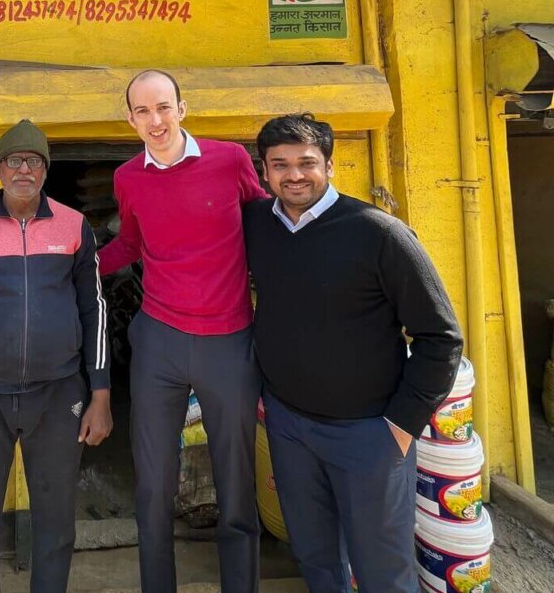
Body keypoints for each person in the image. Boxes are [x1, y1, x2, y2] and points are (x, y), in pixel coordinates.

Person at [244, 113, 463, 592]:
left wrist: (401, 427)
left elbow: (441, 338)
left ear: (330, 165)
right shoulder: (257, 225)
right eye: (280, 164)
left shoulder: (378, 233)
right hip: (289, 426)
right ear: (264, 172)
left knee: (382, 567)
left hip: (368, 433)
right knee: (316, 555)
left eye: (307, 163)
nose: (294, 174)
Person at [98, 70, 267, 593]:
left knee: (236, 482)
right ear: (130, 118)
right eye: (143, 111)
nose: (156, 121)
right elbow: (129, 243)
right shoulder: (128, 178)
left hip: (230, 341)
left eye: (164, 107)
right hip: (159, 341)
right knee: (152, 483)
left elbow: (265, 223)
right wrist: (69, 270)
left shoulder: (229, 160)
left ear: (182, 108)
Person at [0, 119, 112, 593]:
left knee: (55, 518)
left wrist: (100, 394)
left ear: (45, 170)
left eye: (34, 161)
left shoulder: (75, 226)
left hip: (58, 395)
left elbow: (93, 309)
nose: (24, 170)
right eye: (14, 160)